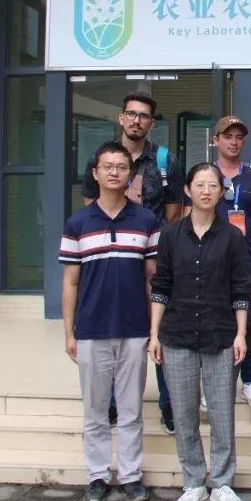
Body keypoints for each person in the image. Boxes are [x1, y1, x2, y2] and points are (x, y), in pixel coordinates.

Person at [61, 141, 159, 501]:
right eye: (108, 166)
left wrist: (154, 330)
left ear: (130, 175)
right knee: (96, 411)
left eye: (121, 167)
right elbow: (70, 282)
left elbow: (151, 279)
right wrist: (68, 331)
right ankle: (98, 477)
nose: (115, 172)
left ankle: (131, 476)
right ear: (96, 173)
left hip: (134, 329)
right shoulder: (78, 223)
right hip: (91, 329)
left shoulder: (146, 220)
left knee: (131, 411)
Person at [148, 163, 251, 501]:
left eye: (213, 186)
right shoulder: (170, 235)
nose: (206, 191)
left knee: (222, 414)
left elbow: (240, 289)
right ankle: (193, 481)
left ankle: (222, 483)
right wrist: (154, 334)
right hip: (176, 335)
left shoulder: (233, 237)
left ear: (222, 193)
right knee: (184, 414)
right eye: (200, 185)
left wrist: (241, 333)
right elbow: (161, 286)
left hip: (221, 335)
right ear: (187, 190)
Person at [81, 91, 183, 433]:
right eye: (131, 114)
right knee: (113, 326)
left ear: (151, 123)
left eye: (144, 116)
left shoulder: (165, 162)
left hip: (154, 258)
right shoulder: (103, 158)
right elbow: (92, 207)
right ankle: (111, 402)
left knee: (161, 328)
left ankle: (168, 403)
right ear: (121, 118)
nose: (137, 120)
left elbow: (172, 213)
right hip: (113, 257)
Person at [197, 115, 251, 410]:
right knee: (214, 322)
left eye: (239, 137)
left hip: (248, 265)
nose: (233, 141)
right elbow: (192, 218)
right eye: (227, 136)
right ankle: (213, 385)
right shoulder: (205, 175)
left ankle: (250, 381)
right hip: (211, 263)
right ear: (215, 140)